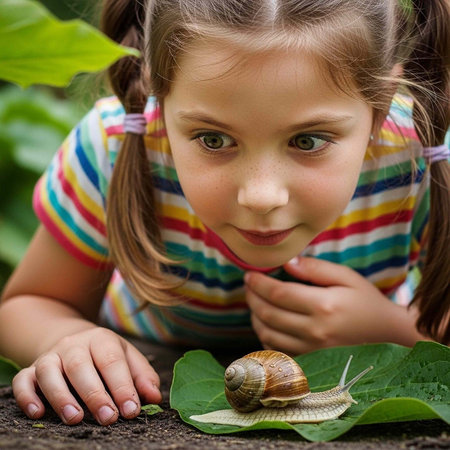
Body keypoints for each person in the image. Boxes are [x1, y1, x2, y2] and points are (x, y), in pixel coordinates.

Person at [0, 0, 448, 427]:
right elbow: (28, 304)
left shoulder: (417, 159)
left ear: (380, 105)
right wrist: (63, 340)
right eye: (213, 139)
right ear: (158, 89)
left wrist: (397, 331)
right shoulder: (117, 147)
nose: (261, 195)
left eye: (308, 141)